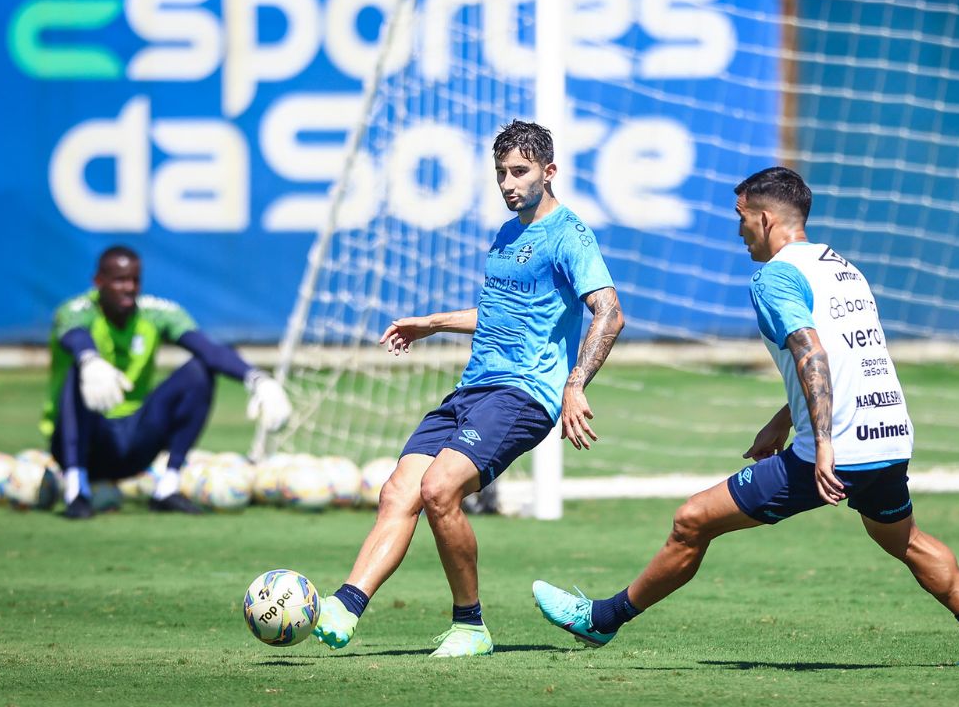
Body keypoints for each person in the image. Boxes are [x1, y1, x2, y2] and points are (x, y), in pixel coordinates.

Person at [532, 167, 959, 668]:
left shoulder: (773, 277)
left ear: (764, 219)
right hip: (889, 439)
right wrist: (784, 418)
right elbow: (841, 356)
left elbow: (810, 351)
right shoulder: (841, 266)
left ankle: (601, 620)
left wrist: (823, 445)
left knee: (692, 521)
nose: (738, 230)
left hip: (836, 450)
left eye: (740, 217)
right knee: (905, 539)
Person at [311, 120, 624, 658]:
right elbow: (502, 316)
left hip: (524, 394)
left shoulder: (569, 234)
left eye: (519, 172)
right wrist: (431, 323)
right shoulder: (505, 235)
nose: (508, 183)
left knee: (439, 490)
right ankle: (346, 602)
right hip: (474, 389)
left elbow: (609, 313)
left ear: (549, 172)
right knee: (398, 491)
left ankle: (470, 626)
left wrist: (575, 385)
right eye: (501, 173)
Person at [44, 245, 292, 519]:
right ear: (98, 282)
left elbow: (208, 348)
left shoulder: (155, 313)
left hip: (135, 441)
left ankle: (168, 487)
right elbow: (73, 335)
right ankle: (76, 491)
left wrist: (257, 379)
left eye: (134, 280)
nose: (128, 287)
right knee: (81, 370)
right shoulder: (76, 311)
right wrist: (89, 358)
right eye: (119, 280)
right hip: (83, 443)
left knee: (200, 369)